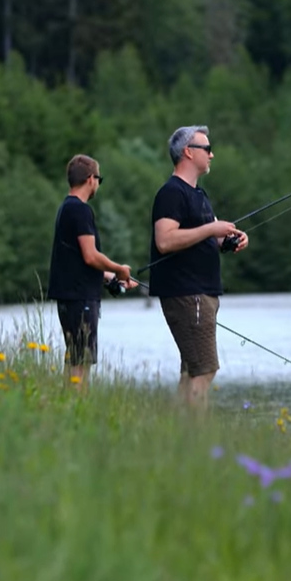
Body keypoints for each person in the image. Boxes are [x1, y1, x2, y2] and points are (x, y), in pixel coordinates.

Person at [148, 125, 248, 410]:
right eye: (207, 149)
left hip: (203, 293)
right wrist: (210, 229)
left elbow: (213, 236)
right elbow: (165, 241)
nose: (212, 155)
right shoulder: (171, 193)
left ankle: (179, 435)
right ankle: (195, 436)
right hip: (187, 293)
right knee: (205, 370)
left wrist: (232, 238)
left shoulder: (199, 195)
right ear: (188, 152)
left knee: (191, 370)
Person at [47, 154, 135, 388]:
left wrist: (110, 277)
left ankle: (70, 407)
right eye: (99, 179)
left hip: (70, 294)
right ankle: (77, 408)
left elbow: (76, 259)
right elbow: (90, 255)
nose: (98, 184)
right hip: (80, 297)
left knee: (75, 357)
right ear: (90, 179)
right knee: (81, 361)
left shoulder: (65, 208)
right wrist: (120, 269)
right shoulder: (81, 210)